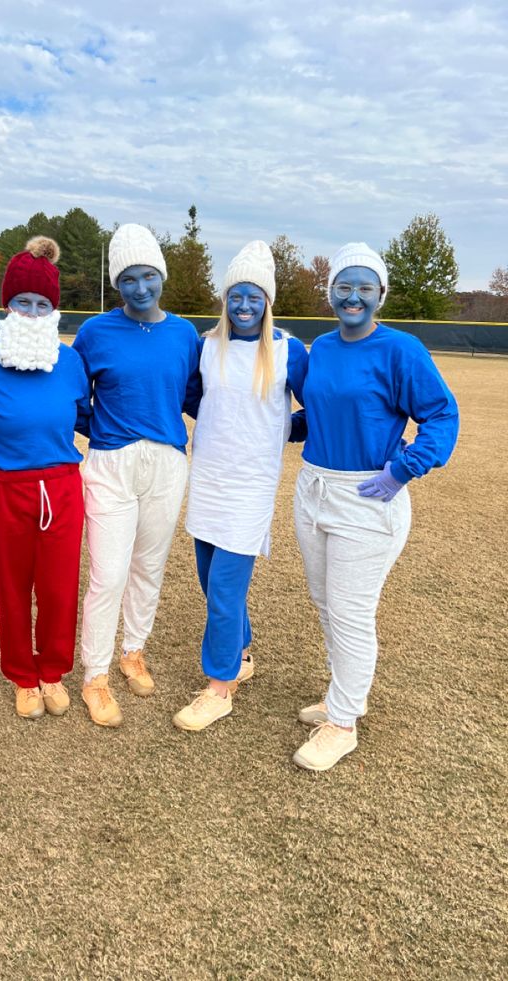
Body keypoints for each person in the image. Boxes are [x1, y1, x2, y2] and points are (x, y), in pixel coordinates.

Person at [292, 242, 459, 771]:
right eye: (344, 287)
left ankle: (342, 724)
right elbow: (315, 417)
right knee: (325, 604)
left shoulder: (401, 350)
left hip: (369, 497)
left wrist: (403, 468)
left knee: (351, 612)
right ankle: (343, 693)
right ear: (330, 292)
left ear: (380, 293)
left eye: (365, 288)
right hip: (315, 488)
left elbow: (442, 415)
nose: (353, 297)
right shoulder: (322, 347)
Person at [172, 241, 308, 731]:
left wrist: (280, 429)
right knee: (211, 585)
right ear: (225, 300)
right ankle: (243, 653)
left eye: (254, 297)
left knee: (226, 591)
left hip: (250, 489)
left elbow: (318, 407)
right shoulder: (208, 347)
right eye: (236, 296)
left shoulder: (290, 352)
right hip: (208, 479)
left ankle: (219, 687)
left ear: (267, 301)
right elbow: (194, 399)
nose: (244, 306)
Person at [72, 223, 201, 726]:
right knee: (108, 573)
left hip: (167, 462)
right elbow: (77, 399)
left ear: (160, 275)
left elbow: (192, 397)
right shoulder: (96, 332)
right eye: (128, 278)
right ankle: (95, 675)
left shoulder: (183, 333)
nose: (140, 287)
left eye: (148, 275)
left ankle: (133, 650)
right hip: (112, 462)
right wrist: (103, 430)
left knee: (148, 566)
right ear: (117, 283)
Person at [0, 238, 90, 720]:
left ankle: (53, 671)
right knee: (10, 588)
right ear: (6, 305)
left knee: (58, 587)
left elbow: (83, 416)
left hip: (59, 484)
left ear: (53, 309)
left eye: (42, 304)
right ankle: (22, 675)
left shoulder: (70, 360)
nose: (32, 313)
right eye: (23, 302)